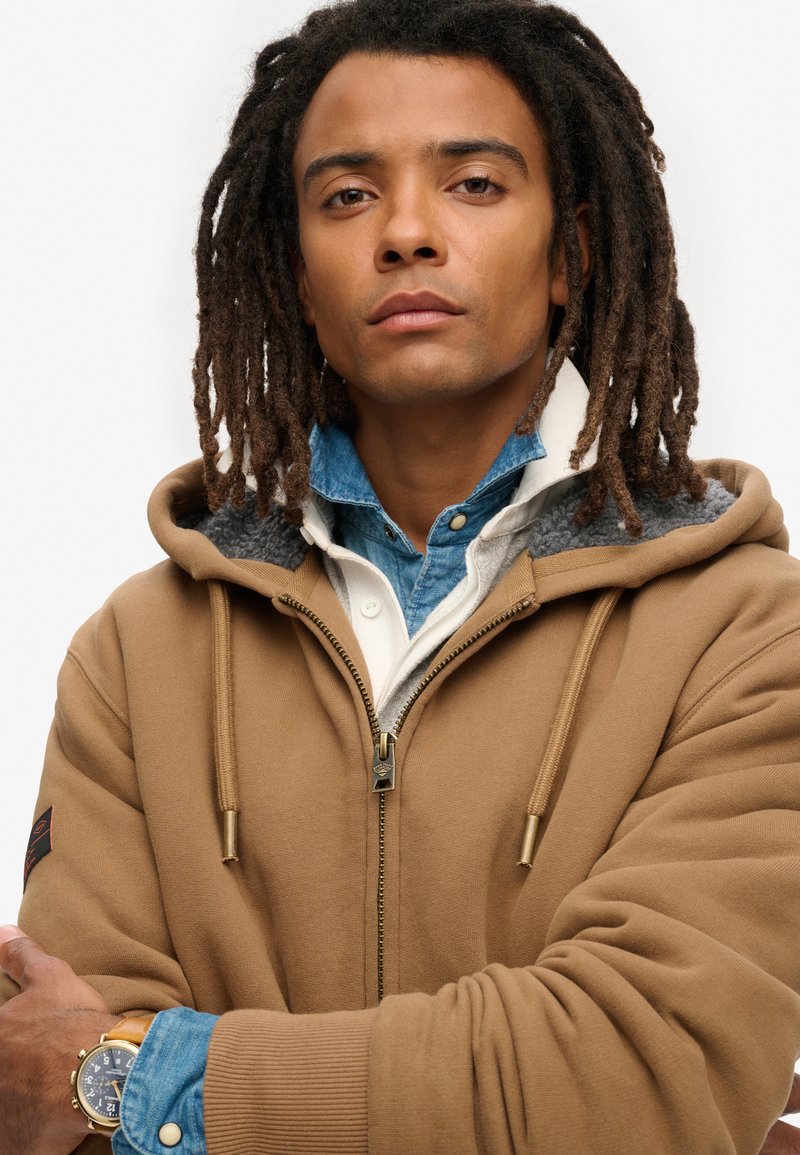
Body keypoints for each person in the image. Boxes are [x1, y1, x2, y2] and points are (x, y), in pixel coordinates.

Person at [1, 0, 799, 1151]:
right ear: (296, 273)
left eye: (472, 183)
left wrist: (149, 1079)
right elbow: (49, 1100)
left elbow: (630, 1071)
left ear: (569, 253)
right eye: (346, 195)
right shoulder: (135, 654)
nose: (406, 233)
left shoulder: (750, 635)